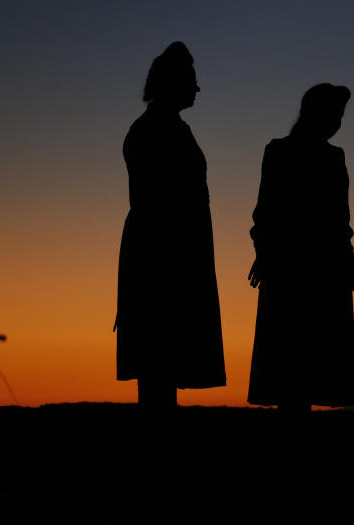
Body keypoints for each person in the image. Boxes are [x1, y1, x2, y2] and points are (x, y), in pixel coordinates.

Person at [115, 42, 226, 407]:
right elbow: (156, 203)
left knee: (166, 359)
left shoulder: (169, 127)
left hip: (176, 253)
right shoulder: (152, 130)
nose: (197, 88)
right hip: (162, 256)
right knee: (157, 358)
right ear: (171, 83)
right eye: (191, 80)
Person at [247, 83, 354, 411]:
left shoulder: (325, 156)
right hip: (296, 268)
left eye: (341, 115)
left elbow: (339, 220)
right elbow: (267, 212)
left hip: (315, 268)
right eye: (335, 114)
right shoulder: (282, 152)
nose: (338, 122)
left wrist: (349, 260)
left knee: (304, 367)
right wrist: (265, 253)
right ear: (317, 113)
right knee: (295, 366)